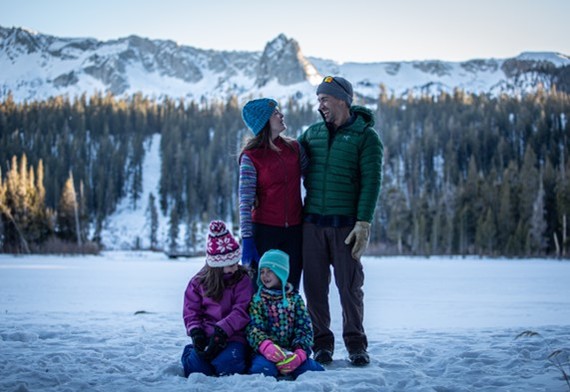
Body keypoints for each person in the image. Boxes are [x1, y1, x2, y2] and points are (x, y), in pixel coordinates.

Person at [298, 76, 384, 367]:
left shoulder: (366, 137)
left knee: (349, 287)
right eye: (319, 99)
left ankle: (356, 344)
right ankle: (321, 344)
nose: (320, 105)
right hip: (311, 224)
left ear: (343, 100)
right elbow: (285, 160)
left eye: (324, 99)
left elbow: (372, 182)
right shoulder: (311, 134)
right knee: (314, 288)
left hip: (346, 226)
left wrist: (364, 222)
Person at [238, 98, 308, 290]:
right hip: (264, 232)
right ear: (263, 122)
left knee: (290, 289)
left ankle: (289, 321)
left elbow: (311, 179)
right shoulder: (251, 156)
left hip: (294, 231)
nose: (281, 115)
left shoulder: (294, 148)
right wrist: (247, 238)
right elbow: (245, 202)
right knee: (262, 292)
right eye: (275, 113)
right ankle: (259, 322)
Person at [181, 220, 254, 377]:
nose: (235, 267)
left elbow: (242, 310)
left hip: (233, 336)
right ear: (217, 266)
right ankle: (190, 352)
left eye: (236, 262)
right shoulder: (197, 282)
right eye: (230, 265)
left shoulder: (242, 279)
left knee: (229, 366)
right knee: (197, 371)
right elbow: (191, 312)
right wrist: (197, 333)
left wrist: (222, 331)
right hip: (206, 335)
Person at [246, 249, 324, 379]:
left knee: (313, 371)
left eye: (270, 271)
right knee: (262, 370)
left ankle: (294, 364)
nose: (265, 276)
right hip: (265, 353)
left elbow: (304, 328)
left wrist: (300, 353)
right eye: (262, 272)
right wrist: (265, 346)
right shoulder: (258, 300)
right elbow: (253, 328)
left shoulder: (295, 299)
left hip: (291, 352)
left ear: (281, 273)